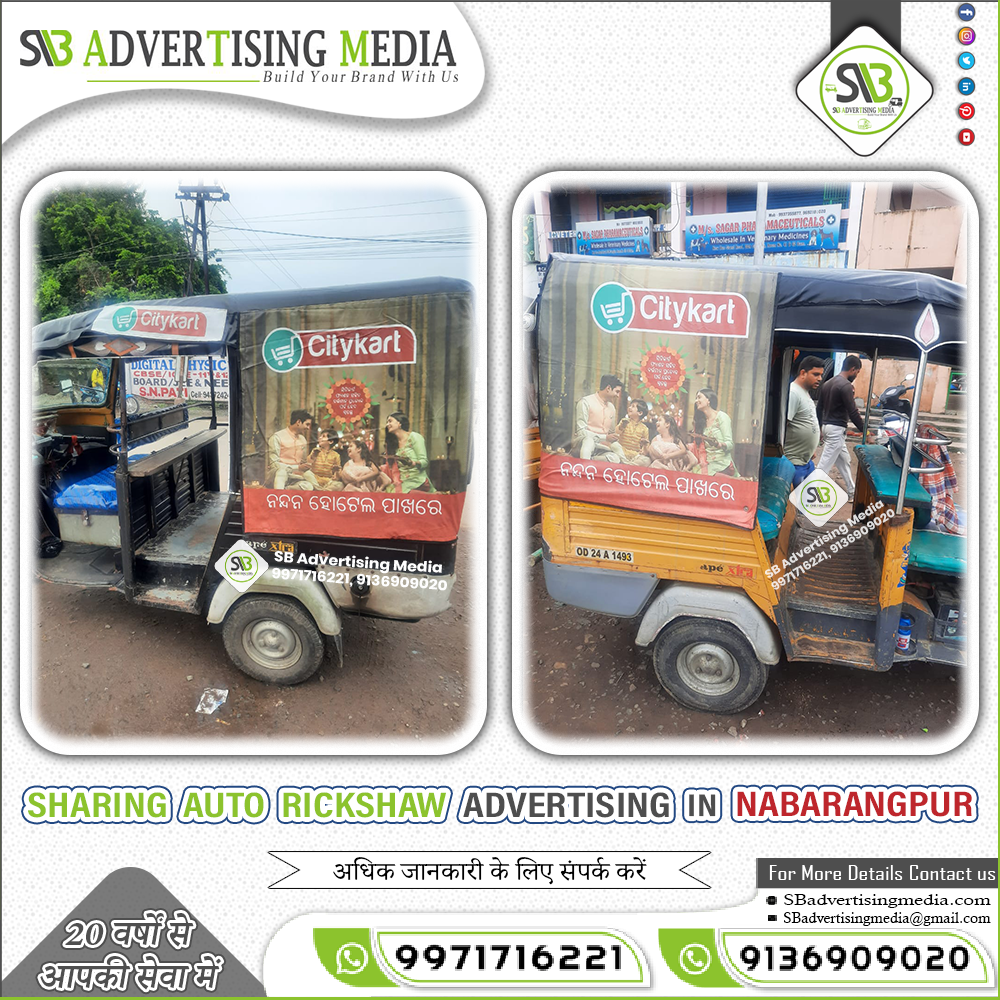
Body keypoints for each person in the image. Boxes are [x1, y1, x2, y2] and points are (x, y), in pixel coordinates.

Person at [817, 355, 864, 496]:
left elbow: (819, 408)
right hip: (836, 430)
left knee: (844, 461)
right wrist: (865, 431)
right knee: (823, 467)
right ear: (853, 369)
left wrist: (820, 428)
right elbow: (853, 412)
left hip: (827, 427)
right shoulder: (845, 386)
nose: (856, 375)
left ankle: (851, 491)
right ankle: (805, 500)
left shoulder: (827, 383)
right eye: (857, 372)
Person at [785, 355, 825, 487]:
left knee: (809, 503)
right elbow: (784, 426)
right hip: (794, 463)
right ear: (803, 373)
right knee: (799, 504)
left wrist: (810, 449)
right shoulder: (793, 393)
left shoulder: (805, 392)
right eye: (815, 374)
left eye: (821, 375)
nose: (820, 378)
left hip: (806, 461)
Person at [575, 374, 626, 462]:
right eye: (617, 391)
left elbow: (611, 433)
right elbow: (581, 432)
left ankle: (591, 461)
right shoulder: (585, 402)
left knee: (615, 458)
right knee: (589, 441)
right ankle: (584, 468)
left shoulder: (612, 408)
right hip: (583, 445)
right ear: (608, 388)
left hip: (601, 449)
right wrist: (605, 438)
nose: (618, 395)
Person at [267, 409, 319, 490]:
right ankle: (278, 496)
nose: (308, 428)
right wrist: (297, 468)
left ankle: (285, 491)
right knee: (282, 472)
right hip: (277, 475)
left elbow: (303, 462)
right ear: (298, 422)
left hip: (294, 477)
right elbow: (274, 464)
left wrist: (311, 459)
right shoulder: (277, 437)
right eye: (307, 424)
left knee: (308, 486)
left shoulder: (303, 440)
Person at [386, 411, 435, 493]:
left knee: (396, 493)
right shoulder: (394, 444)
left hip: (417, 480)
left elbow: (425, 462)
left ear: (399, 423)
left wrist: (412, 463)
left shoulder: (415, 437)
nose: (387, 424)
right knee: (387, 491)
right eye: (387, 422)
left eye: (390, 421)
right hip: (403, 482)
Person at [693, 388, 736, 476]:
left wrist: (717, 444)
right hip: (708, 463)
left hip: (722, 463)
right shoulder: (702, 422)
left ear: (708, 400)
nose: (696, 401)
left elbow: (730, 444)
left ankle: (736, 480)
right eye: (696, 398)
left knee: (699, 473)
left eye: (699, 397)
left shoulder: (722, 417)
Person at [616, 399, 652, 465]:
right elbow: (616, 433)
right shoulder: (624, 421)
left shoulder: (644, 428)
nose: (629, 408)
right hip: (621, 452)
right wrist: (622, 426)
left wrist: (644, 445)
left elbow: (645, 450)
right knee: (614, 446)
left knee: (647, 460)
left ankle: (627, 464)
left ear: (640, 413)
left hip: (635, 455)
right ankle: (628, 464)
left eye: (633, 406)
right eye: (630, 406)